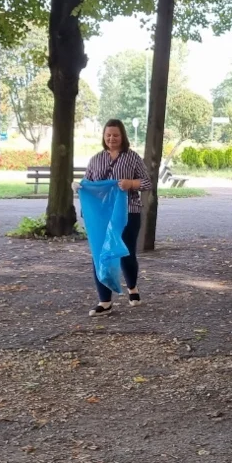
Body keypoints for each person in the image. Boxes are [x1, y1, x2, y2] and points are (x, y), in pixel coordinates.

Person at [81, 119, 152, 317]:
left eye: (116, 135)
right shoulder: (96, 159)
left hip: (130, 211)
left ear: (123, 137)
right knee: (100, 254)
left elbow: (147, 183)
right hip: (102, 216)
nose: (112, 138)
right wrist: (78, 186)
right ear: (104, 137)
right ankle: (105, 301)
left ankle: (133, 288)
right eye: (108, 135)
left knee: (126, 253)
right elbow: (88, 183)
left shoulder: (132, 158)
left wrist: (131, 183)